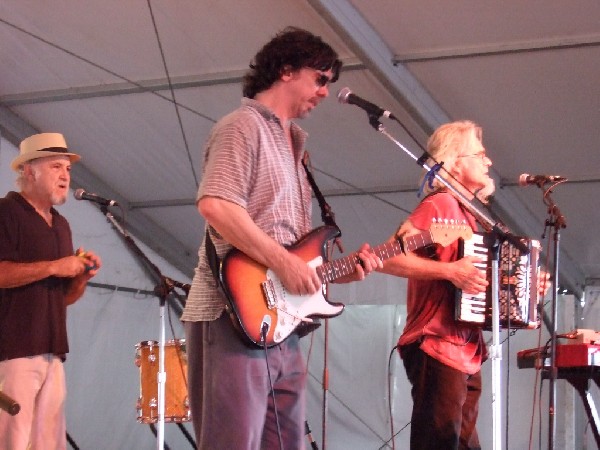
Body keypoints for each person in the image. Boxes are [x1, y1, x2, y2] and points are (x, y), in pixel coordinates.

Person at [181, 27, 382, 449]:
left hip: (282, 326)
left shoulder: (294, 145)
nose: (326, 92)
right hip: (231, 315)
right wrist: (285, 263)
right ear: (287, 70)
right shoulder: (242, 126)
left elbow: (292, 251)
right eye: (321, 78)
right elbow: (216, 205)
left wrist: (332, 273)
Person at [379, 120, 493, 449]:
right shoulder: (440, 204)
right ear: (455, 161)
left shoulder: (472, 215)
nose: (489, 162)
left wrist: (521, 288)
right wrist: (451, 272)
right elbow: (388, 258)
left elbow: (477, 283)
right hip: (437, 344)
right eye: (481, 154)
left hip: (467, 350)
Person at [0, 132, 102, 449]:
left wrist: (81, 278)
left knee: (48, 444)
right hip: (13, 350)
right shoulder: (6, 212)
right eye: (56, 166)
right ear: (29, 170)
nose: (65, 175)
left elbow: (62, 299)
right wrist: (55, 266)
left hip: (53, 354)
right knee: (13, 441)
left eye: (68, 169)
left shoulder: (62, 225)